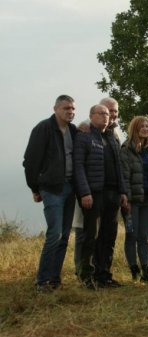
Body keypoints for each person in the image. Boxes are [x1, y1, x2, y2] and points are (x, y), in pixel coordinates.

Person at [23, 95, 77, 292]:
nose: (70, 112)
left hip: (71, 188)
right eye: (66, 108)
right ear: (55, 108)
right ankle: (42, 281)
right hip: (52, 189)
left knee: (64, 237)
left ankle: (54, 279)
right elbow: (30, 161)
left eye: (72, 108)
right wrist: (35, 189)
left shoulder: (73, 130)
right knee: (55, 234)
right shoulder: (43, 128)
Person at [74, 104, 128, 289]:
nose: (106, 117)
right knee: (91, 237)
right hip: (94, 194)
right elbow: (78, 166)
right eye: (101, 114)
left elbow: (119, 167)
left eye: (108, 114)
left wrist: (123, 192)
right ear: (91, 116)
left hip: (113, 194)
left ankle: (104, 274)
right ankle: (86, 278)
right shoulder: (84, 135)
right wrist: (85, 192)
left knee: (109, 236)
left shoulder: (112, 136)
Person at [120, 116, 148, 282]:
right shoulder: (126, 149)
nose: (146, 129)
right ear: (135, 128)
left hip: (147, 199)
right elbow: (124, 177)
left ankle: (146, 271)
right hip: (132, 201)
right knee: (132, 235)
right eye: (142, 126)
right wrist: (127, 199)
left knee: (143, 236)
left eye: (147, 126)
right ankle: (133, 269)